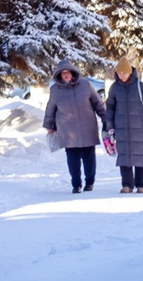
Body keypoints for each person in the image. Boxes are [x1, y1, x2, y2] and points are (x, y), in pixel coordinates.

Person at [43, 64, 106, 193]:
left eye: (68, 72)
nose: (65, 74)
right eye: (63, 73)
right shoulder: (55, 90)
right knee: (73, 160)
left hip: (87, 127)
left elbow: (98, 104)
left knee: (89, 158)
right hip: (68, 131)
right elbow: (50, 109)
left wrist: (106, 118)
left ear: (73, 73)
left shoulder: (85, 85)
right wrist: (49, 125)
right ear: (59, 75)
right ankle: (76, 184)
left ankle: (90, 182)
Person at [104, 59, 143, 193]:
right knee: (124, 156)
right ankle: (127, 185)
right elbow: (110, 108)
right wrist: (110, 126)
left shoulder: (141, 87)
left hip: (140, 128)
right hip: (121, 128)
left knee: (141, 156)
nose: (122, 75)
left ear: (130, 72)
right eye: (119, 73)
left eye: (124, 72)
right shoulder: (114, 88)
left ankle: (141, 185)